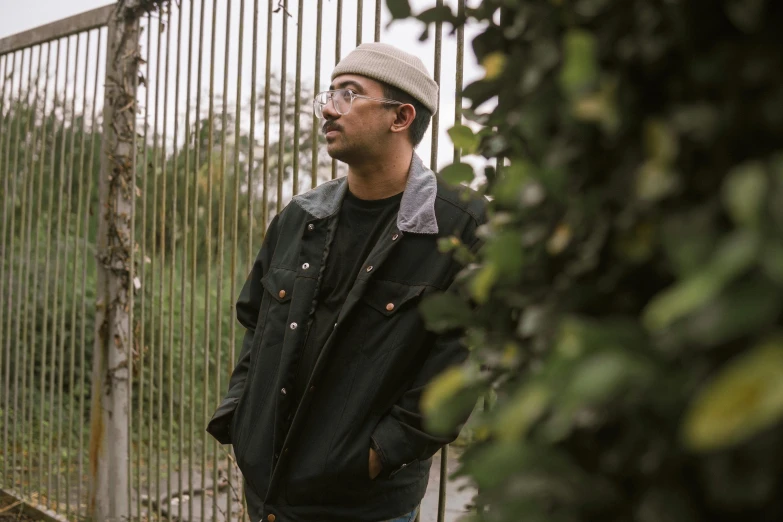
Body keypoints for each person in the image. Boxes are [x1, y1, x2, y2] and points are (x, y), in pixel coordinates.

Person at [207, 42, 485, 522]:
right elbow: (256, 324)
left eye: (349, 94)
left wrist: (378, 455)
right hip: (268, 494)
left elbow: (464, 362)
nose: (328, 109)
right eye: (329, 93)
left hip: (365, 505)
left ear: (401, 117)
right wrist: (241, 415)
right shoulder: (298, 219)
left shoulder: (458, 227)